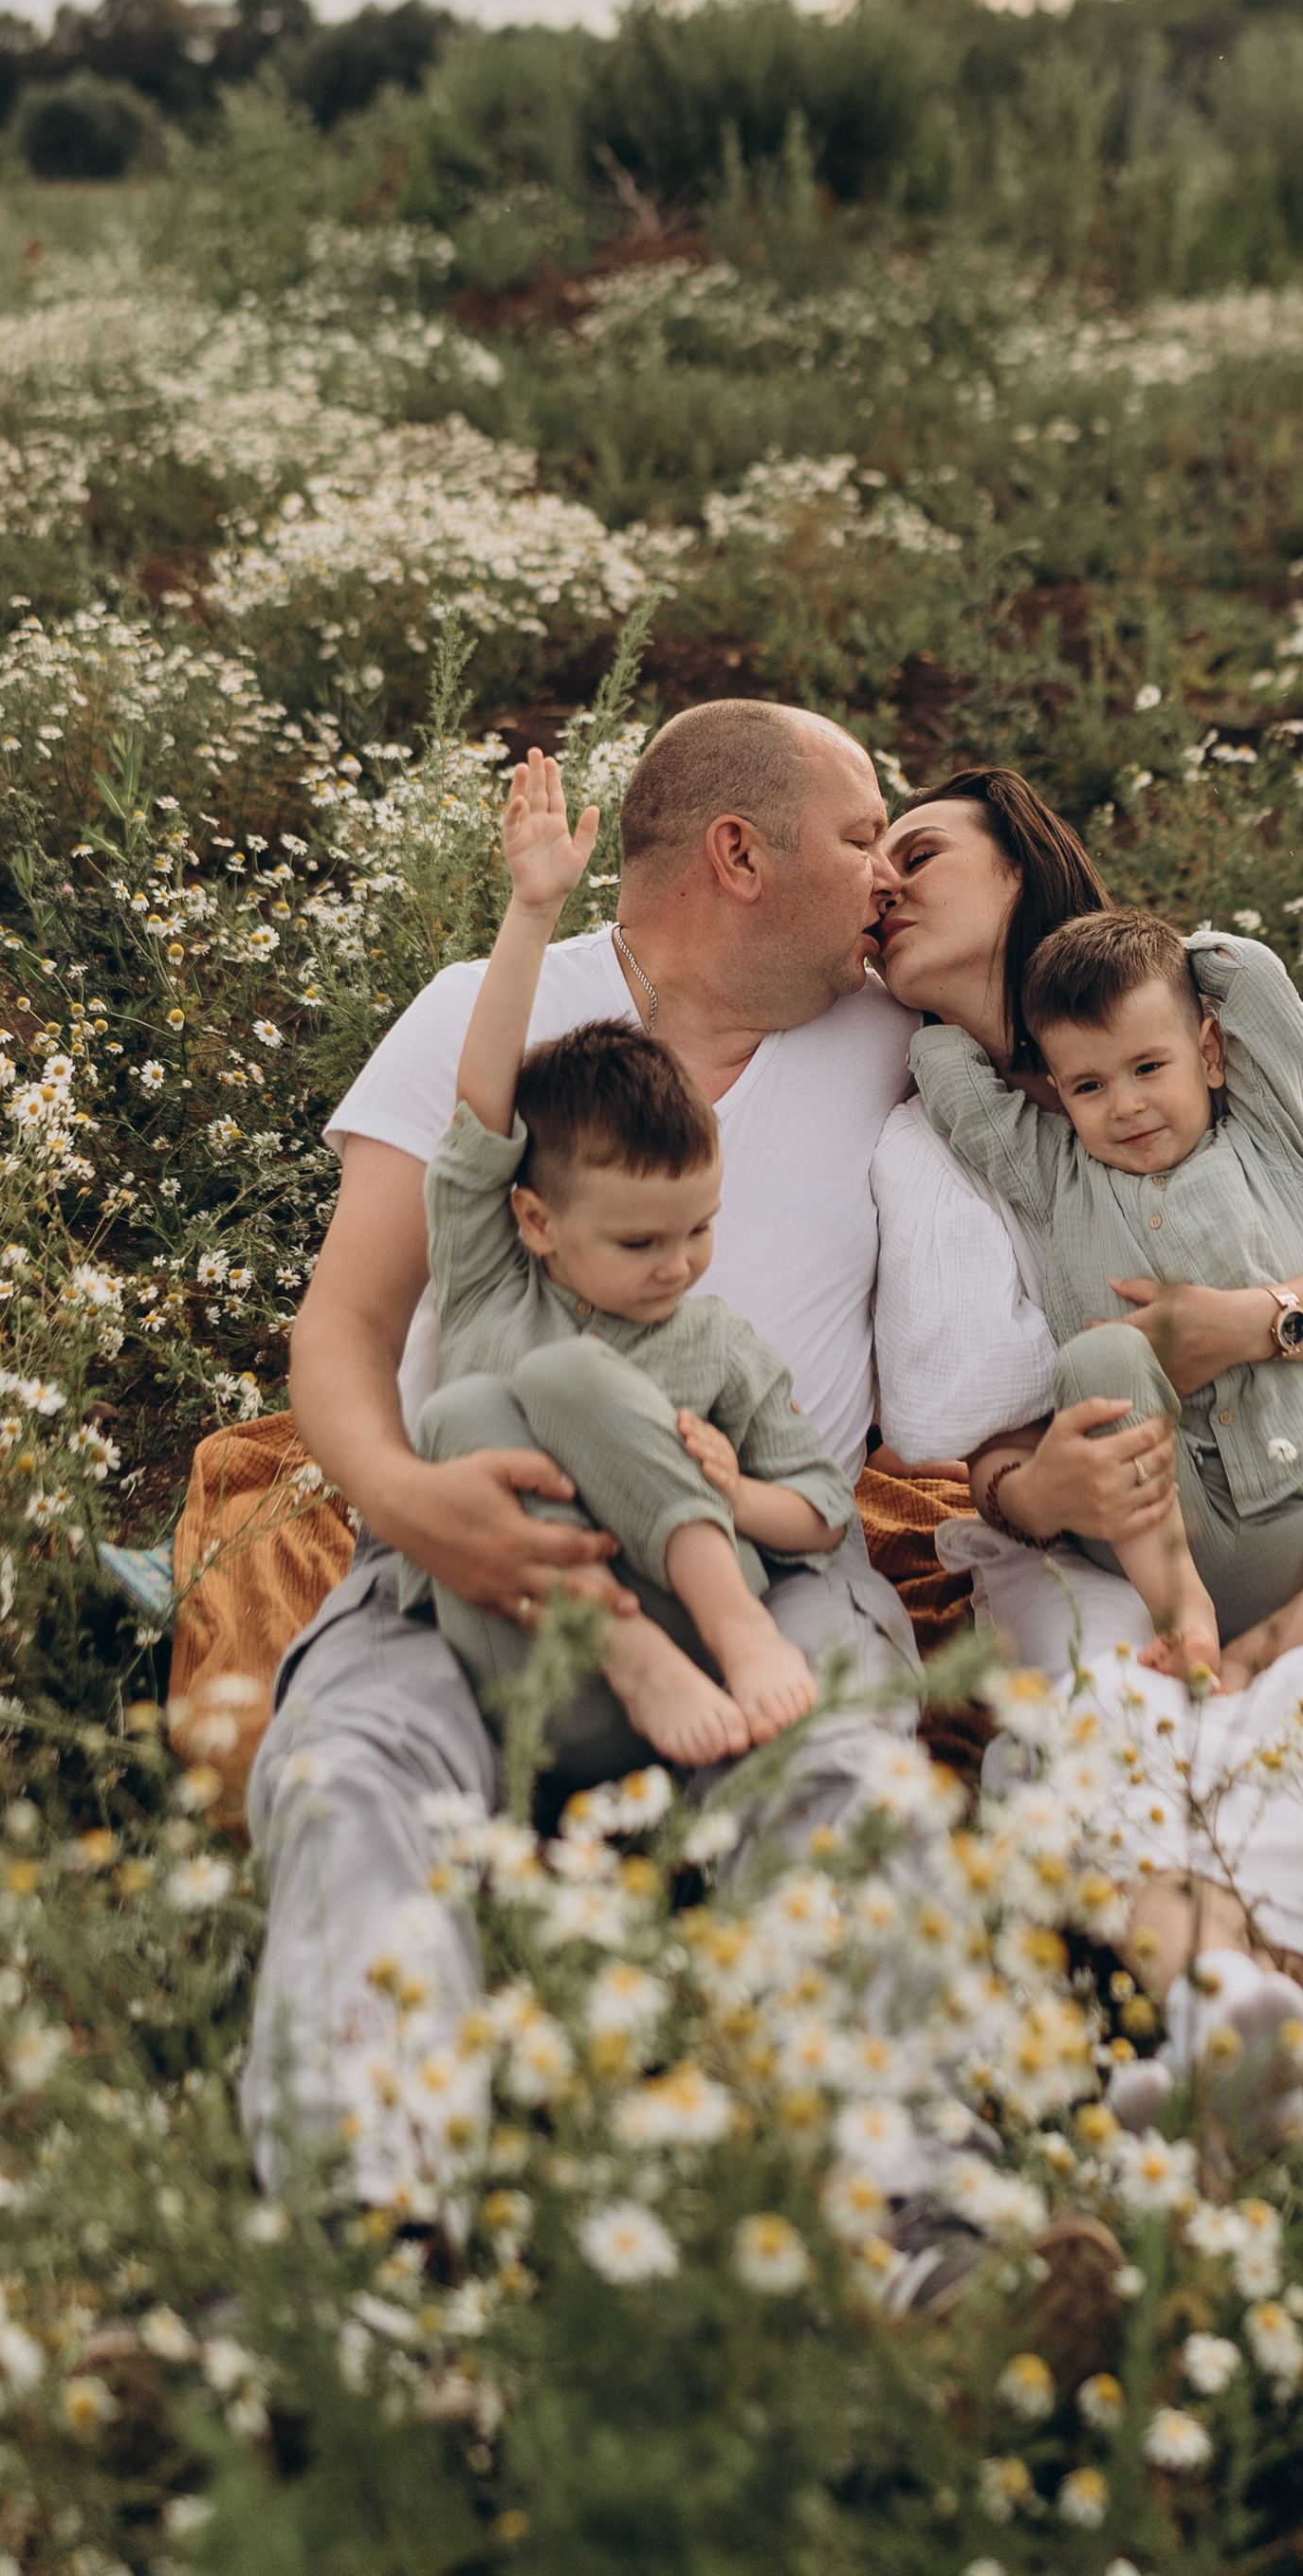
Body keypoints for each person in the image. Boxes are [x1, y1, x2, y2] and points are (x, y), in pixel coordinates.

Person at [244, 697, 921, 2177]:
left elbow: (1131, 1015)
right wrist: (406, 1502)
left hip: (773, 1565)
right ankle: (374, 2210)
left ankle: (892, 2209)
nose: (891, 875)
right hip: (481, 1540)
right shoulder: (481, 1016)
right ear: (740, 853)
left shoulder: (898, 1033)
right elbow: (344, 1326)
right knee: (348, 1765)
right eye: (866, 836)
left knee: (850, 1780)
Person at [868, 767, 1303, 2141]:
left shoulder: (1218, 1046)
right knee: (1116, 1724)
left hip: (1296, 1481)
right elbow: (960, 1440)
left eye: (921, 851)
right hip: (1107, 1532)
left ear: (1022, 864)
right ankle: (1226, 2010)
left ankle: (1251, 2052)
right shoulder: (932, 1144)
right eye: (869, 871)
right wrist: (1038, 1487)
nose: (883, 885)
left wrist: (1251, 1323)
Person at [909, 902, 1303, 1689]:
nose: (1125, 1105)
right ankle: (1182, 1610)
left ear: (1211, 1053)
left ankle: (1257, 1656)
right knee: (1102, 1355)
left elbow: (1254, 975)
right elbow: (943, 1065)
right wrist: (1001, 1008)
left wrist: (1161, 957)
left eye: (1148, 1067)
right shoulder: (1055, 1172)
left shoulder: (1266, 1134)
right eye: (1088, 1085)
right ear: (1057, 1090)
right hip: (1153, 1520)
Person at [410, 748, 852, 1765]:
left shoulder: (714, 1342)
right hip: (539, 1673)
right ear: (535, 1222)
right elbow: (482, 1114)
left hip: (701, 1635)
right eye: (641, 1241)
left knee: (556, 1380)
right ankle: (624, 1657)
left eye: (700, 1230)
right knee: (458, 1414)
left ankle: (731, 1634)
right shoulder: (489, 1281)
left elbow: (824, 1509)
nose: (680, 1266)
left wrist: (737, 1494)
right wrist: (532, 912)